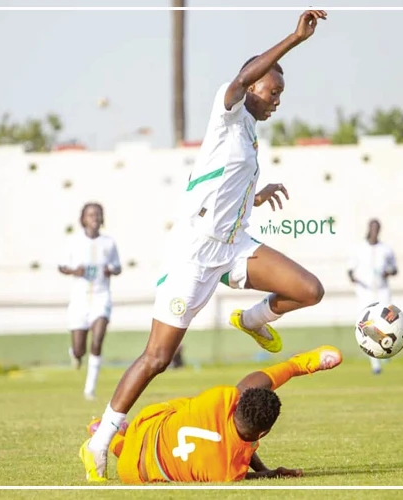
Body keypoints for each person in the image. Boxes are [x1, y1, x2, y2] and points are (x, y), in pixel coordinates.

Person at [81, 10, 330, 481]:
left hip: (233, 246)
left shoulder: (249, 133)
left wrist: (255, 195)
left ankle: (252, 319)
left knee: (309, 290)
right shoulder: (227, 110)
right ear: (252, 86)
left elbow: (219, 188)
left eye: (280, 94)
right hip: (195, 255)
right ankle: (99, 441)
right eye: (273, 91)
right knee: (157, 358)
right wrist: (295, 38)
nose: (277, 101)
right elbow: (243, 76)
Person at [81, 345, 342, 483]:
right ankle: (111, 438)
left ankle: (108, 432)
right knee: (165, 461)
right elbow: (241, 454)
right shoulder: (227, 471)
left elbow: (251, 385)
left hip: (148, 424)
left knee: (185, 409)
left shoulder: (221, 399)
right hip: (133, 473)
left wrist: (295, 367)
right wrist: (267, 472)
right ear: (264, 432)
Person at [58, 203, 121, 401]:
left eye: (98, 214)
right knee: (80, 349)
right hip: (80, 299)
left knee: (98, 339)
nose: (94, 217)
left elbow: (118, 267)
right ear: (83, 218)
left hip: (101, 297)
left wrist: (110, 270)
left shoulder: (108, 242)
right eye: (90, 214)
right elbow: (62, 266)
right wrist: (74, 271)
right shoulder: (74, 241)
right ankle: (76, 355)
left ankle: (90, 389)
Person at [347, 219, 398, 375]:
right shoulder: (359, 249)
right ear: (368, 229)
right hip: (365, 292)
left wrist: (388, 272)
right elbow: (350, 270)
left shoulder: (386, 249)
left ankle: (386, 349)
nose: (374, 231)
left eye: (377, 228)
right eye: (372, 228)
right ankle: (375, 363)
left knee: (387, 322)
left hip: (382, 291)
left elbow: (395, 269)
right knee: (368, 326)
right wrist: (354, 278)